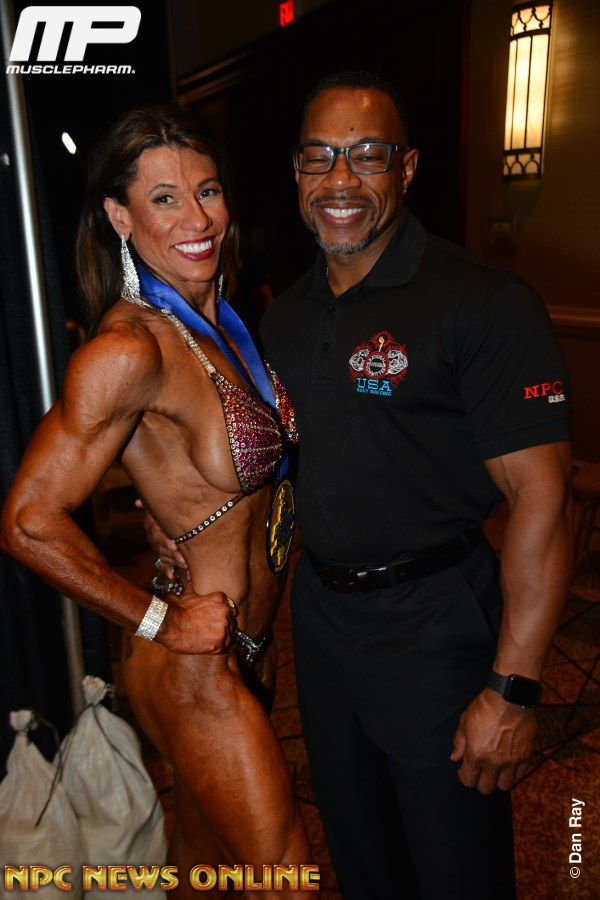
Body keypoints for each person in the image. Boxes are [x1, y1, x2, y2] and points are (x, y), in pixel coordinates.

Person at [147, 72, 573, 899]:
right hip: (324, 618)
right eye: (319, 158)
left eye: (366, 156)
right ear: (296, 174)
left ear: (405, 169)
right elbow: (275, 465)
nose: (339, 180)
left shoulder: (482, 302)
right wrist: (180, 516)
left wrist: (513, 689)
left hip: (436, 621)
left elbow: (543, 501)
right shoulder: (282, 317)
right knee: (361, 855)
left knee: (456, 868)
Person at [1, 105, 309, 891]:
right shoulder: (128, 349)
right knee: (285, 877)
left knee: (202, 862)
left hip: (247, 647)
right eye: (164, 199)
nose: (196, 219)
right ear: (119, 215)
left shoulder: (222, 321)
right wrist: (161, 620)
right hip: (191, 667)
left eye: (207, 191)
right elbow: (28, 522)